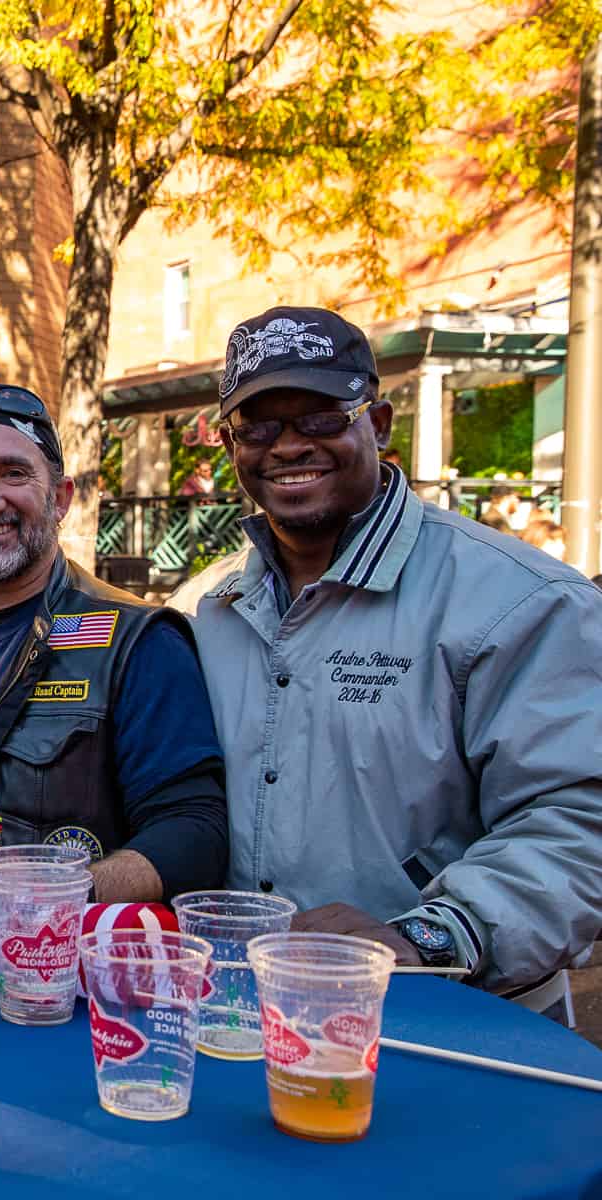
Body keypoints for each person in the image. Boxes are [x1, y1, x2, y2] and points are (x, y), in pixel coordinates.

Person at [172, 306, 602, 1016]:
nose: (288, 446)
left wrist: (428, 938)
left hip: (453, 1017)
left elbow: (578, 823)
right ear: (230, 444)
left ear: (378, 424)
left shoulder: (522, 600)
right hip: (248, 1015)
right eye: (258, 427)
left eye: (320, 419)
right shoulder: (204, 608)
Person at [0, 383, 229, 904]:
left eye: (13, 474)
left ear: (60, 498)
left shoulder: (138, 640)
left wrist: (64, 888)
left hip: (45, 953)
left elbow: (196, 832)